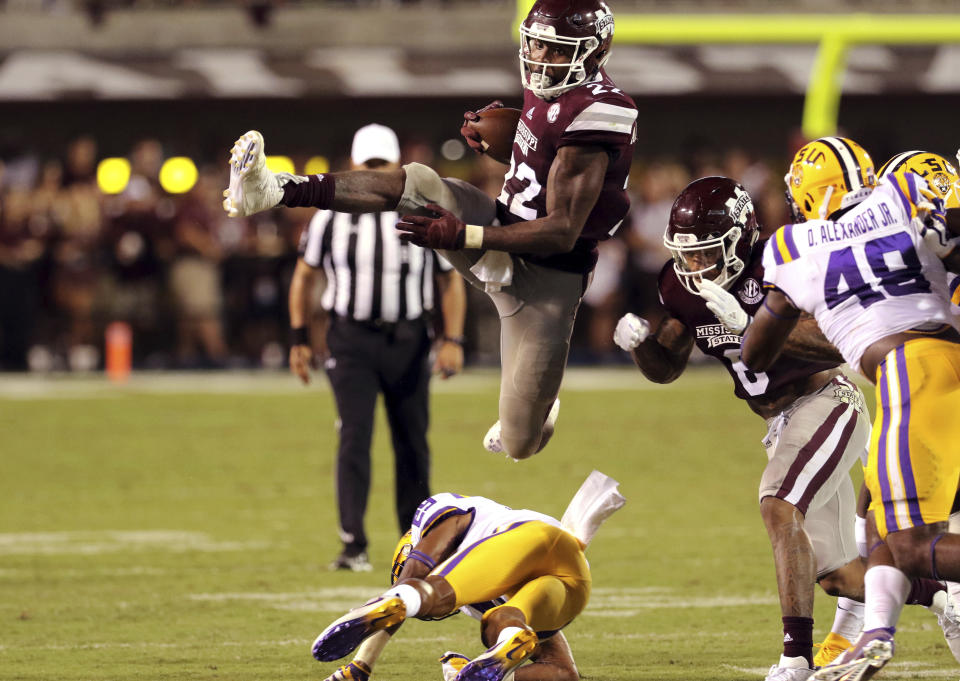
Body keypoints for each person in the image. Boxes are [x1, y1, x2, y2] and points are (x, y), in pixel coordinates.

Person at [223, 0, 637, 461]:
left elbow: (561, 230)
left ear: (594, 51)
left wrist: (466, 237)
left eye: (555, 50)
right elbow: (540, 162)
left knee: (519, 444)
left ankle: (539, 412)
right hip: (500, 223)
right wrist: (500, 147)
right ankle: (278, 189)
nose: (539, 57)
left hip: (547, 279)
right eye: (536, 44)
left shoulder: (601, 112)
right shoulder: (551, 90)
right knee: (420, 182)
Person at [612, 175, 872, 681]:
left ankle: (795, 660)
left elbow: (839, 344)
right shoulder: (680, 286)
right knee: (840, 577)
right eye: (686, 254)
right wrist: (640, 344)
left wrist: (755, 328)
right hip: (781, 423)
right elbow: (667, 365)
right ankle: (942, 590)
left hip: (826, 400)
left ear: (738, 239)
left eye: (705, 252)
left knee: (778, 505)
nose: (693, 265)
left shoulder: (780, 263)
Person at [739, 136, 960, 681]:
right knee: (879, 522)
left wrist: (749, 317)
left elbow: (757, 353)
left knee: (910, 546)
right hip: (930, 369)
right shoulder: (903, 191)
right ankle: (874, 635)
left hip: (917, 371)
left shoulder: (792, 245)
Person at [288, 123, 467, 571]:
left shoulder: (423, 211)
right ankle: (353, 544)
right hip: (351, 338)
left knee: (412, 443)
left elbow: (451, 282)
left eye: (380, 165)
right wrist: (297, 339)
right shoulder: (329, 217)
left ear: (396, 167)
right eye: (366, 165)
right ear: (353, 166)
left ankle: (416, 545)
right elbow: (304, 277)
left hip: (409, 338)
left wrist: (453, 339)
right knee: (354, 438)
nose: (372, 173)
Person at [310, 475, 624, 681]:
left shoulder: (438, 522)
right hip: (574, 575)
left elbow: (435, 547)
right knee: (513, 628)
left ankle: (408, 599)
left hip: (527, 538)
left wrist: (408, 584)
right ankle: (495, 655)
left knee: (428, 593)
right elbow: (559, 669)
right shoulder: (479, 595)